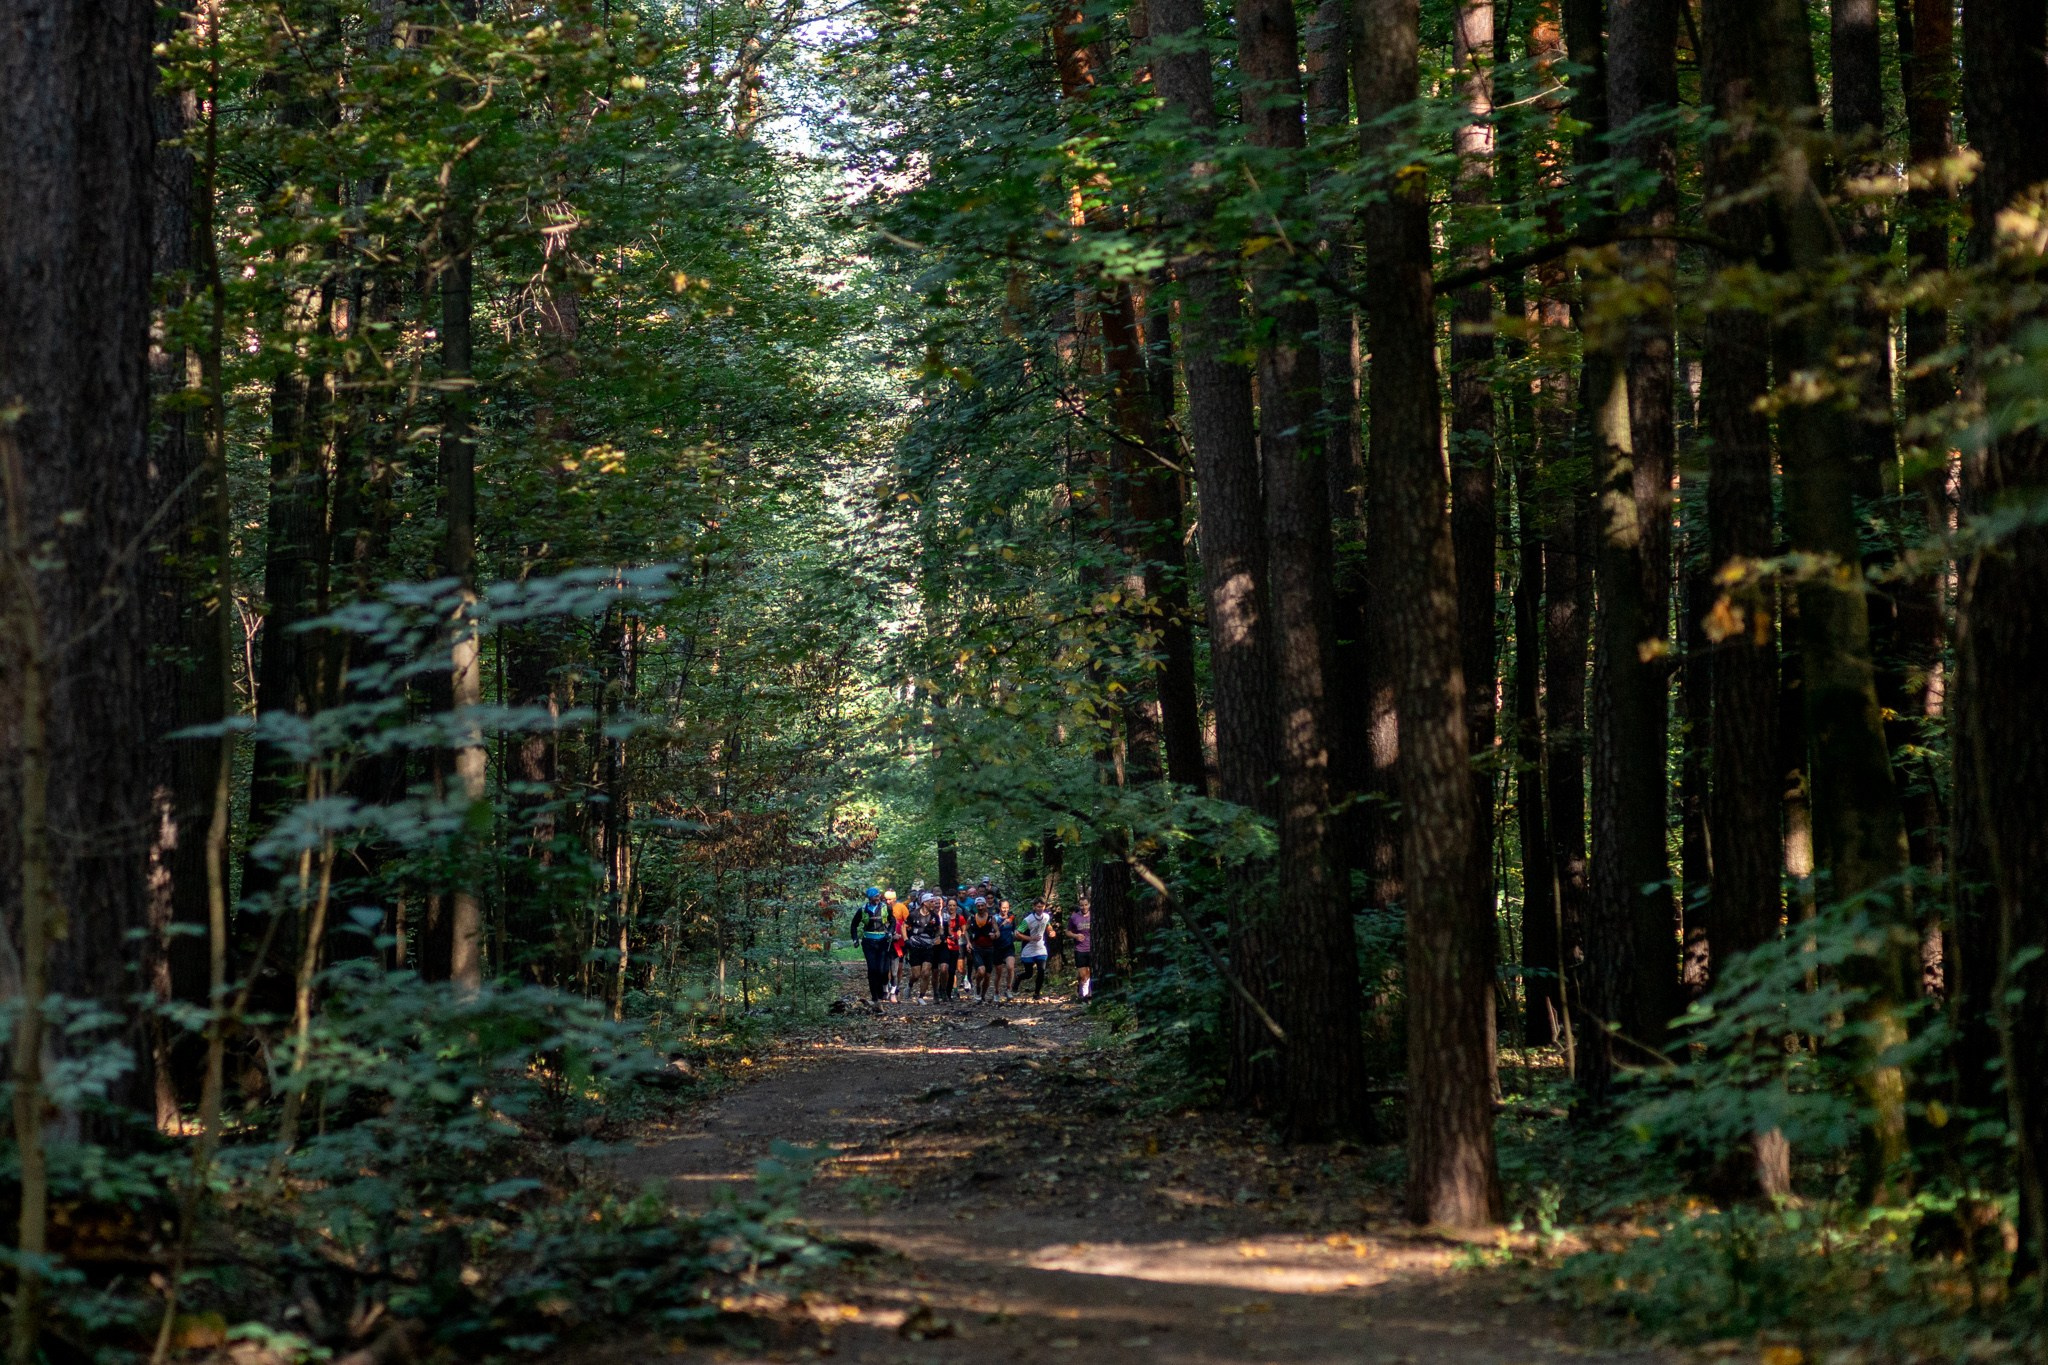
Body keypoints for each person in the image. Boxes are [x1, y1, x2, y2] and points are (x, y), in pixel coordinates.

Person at [850, 887, 892, 1002]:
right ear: (870, 898)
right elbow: (854, 925)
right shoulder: (862, 910)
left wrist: (890, 932)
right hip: (868, 942)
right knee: (872, 969)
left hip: (883, 941)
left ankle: (882, 988)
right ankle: (875, 995)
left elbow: (893, 921)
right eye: (875, 896)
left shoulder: (885, 907)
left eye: (879, 896)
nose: (878, 898)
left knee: (882, 970)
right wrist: (855, 939)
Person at [906, 896, 939, 1003]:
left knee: (925, 973)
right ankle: (910, 985)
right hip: (915, 947)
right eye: (932, 901)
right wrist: (906, 939)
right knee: (916, 975)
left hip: (928, 947)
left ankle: (921, 996)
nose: (934, 903)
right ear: (925, 903)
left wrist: (940, 937)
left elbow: (939, 929)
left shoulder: (934, 916)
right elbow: (904, 926)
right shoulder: (913, 914)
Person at [967, 900, 1001, 1002]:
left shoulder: (991, 918)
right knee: (981, 971)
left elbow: (997, 931)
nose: (980, 907)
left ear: (985, 906)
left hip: (989, 949)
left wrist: (995, 935)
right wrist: (968, 942)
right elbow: (965, 930)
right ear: (976, 906)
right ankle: (977, 987)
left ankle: (982, 995)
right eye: (978, 906)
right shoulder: (972, 918)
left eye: (982, 905)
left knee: (987, 975)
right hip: (977, 948)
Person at [1017, 901, 1052, 999]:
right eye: (1038, 906)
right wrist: (1030, 938)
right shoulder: (1028, 920)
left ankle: (1037, 993)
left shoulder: (1046, 916)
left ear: (1044, 907)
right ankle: (1019, 978)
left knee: (1041, 970)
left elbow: (1048, 926)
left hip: (1041, 949)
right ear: (1034, 907)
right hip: (1028, 949)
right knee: (1029, 974)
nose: (1040, 909)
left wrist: (1051, 932)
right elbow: (1018, 933)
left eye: (1042, 906)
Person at [1067, 896, 1093, 1000]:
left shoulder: (1094, 916)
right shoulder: (1074, 917)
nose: (1084, 907)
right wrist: (1076, 936)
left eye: (1086, 905)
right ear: (1079, 906)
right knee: (1083, 975)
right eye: (1081, 905)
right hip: (1080, 949)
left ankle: (1087, 996)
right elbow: (1068, 932)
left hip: (1092, 949)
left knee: (1090, 974)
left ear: (1089, 904)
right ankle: (1083, 994)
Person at [994, 900, 1018, 1002]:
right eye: (1003, 907)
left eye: (1007, 907)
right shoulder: (995, 918)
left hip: (1009, 946)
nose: (1005, 910)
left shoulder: (1012, 917)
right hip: (997, 947)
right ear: (1000, 907)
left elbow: (1015, 930)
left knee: (1010, 967)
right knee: (999, 972)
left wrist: (1016, 934)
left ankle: (1008, 989)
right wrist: (1002, 924)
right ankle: (996, 992)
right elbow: (994, 931)